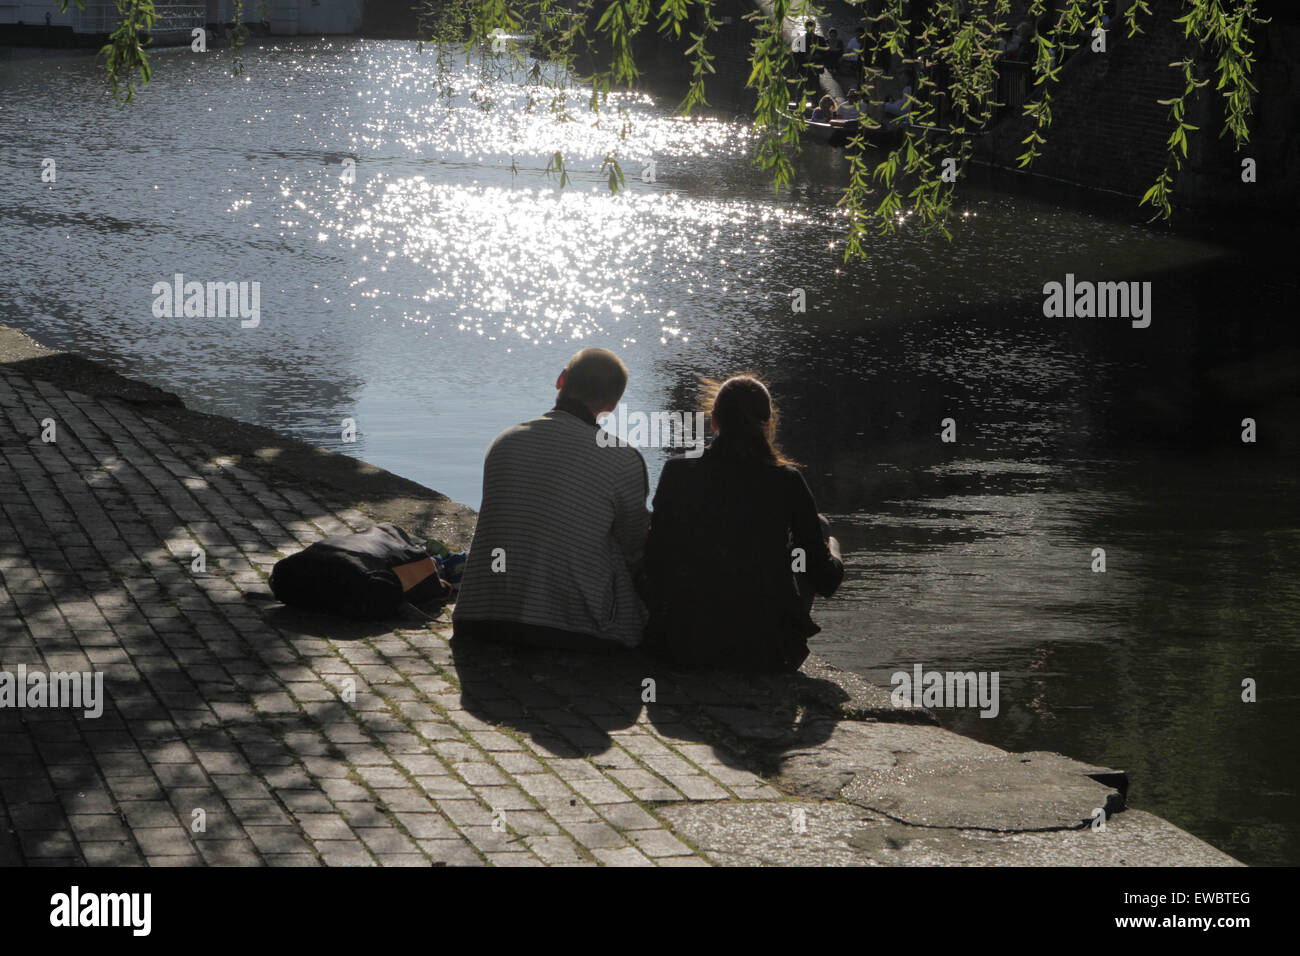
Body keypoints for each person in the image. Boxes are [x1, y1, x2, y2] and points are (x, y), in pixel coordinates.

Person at [452, 348, 650, 651]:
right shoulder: (622, 459)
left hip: (481, 618)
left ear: (561, 379)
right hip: (576, 630)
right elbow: (634, 548)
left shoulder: (506, 441)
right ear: (612, 405)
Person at [643, 375, 843, 673]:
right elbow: (825, 580)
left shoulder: (677, 470)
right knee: (820, 527)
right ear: (768, 424)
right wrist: (835, 550)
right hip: (768, 652)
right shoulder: (786, 480)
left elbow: (655, 560)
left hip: (683, 645)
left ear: (714, 421)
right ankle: (786, 626)